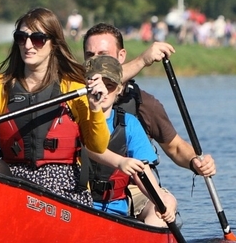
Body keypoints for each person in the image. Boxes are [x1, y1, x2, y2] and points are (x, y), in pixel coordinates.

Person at [0, 8, 111, 206]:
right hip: (15, 180)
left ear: (53, 44)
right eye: (21, 38)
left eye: (38, 38)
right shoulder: (0, 87)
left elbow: (98, 147)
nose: (28, 45)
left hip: (62, 183)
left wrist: (95, 108)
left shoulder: (73, 87)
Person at [82, 22, 217, 221]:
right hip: (83, 190)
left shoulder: (143, 104)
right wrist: (143, 60)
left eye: (103, 54)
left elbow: (176, 148)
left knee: (164, 204)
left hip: (133, 189)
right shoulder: (73, 97)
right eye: (89, 55)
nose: (96, 62)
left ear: (121, 56)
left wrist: (195, 163)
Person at [83, 55, 176, 227]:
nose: (102, 91)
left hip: (116, 210)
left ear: (119, 89)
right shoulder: (77, 118)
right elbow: (87, 146)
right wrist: (119, 161)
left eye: (109, 85)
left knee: (166, 202)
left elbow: (143, 171)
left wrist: (161, 202)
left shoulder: (129, 124)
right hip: (79, 206)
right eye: (97, 84)